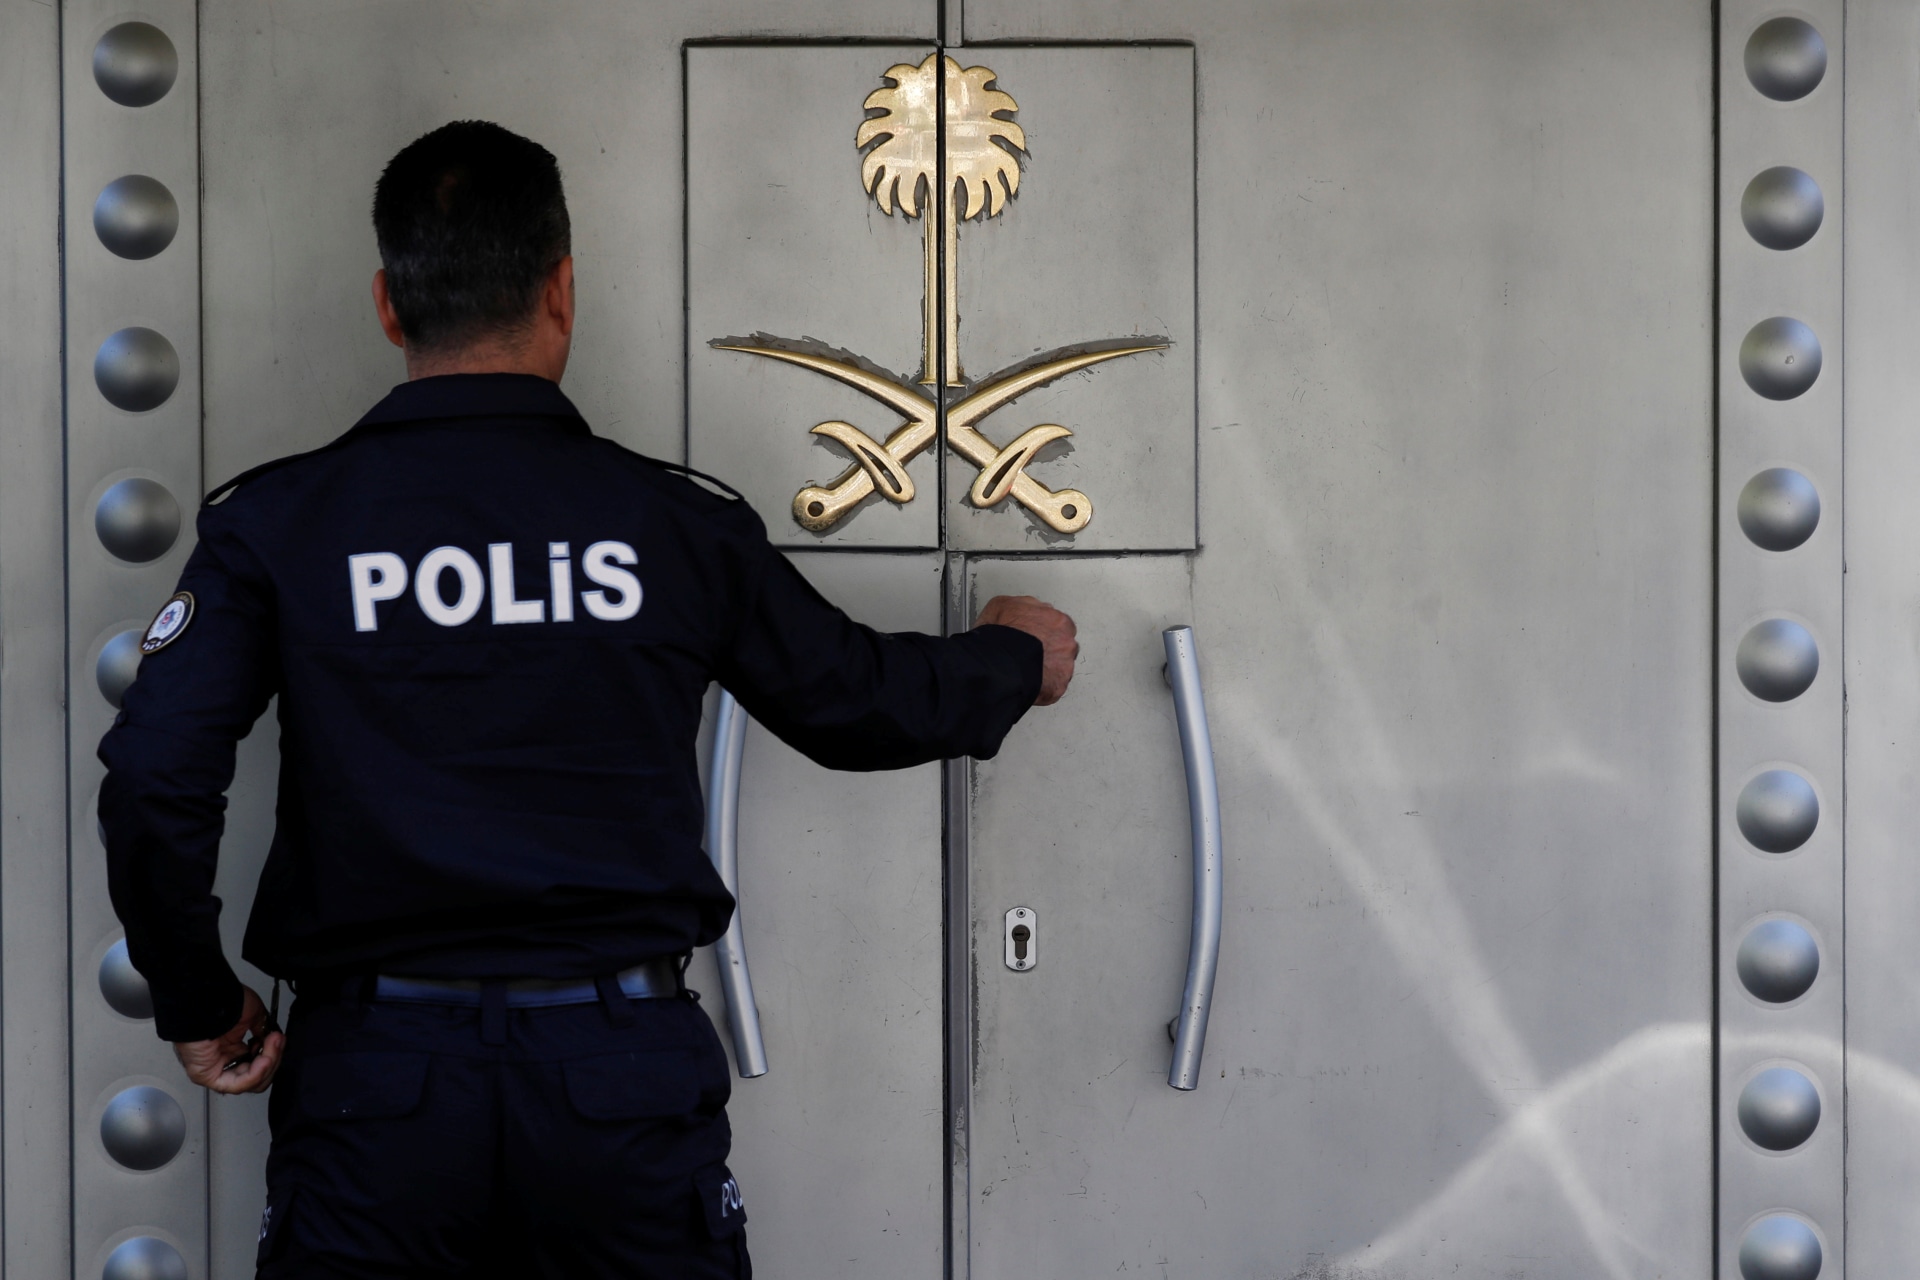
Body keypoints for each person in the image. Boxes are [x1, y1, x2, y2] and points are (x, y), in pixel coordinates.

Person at [97, 120, 1077, 1279]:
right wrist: (1013, 655)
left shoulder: (279, 526)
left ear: (388, 303)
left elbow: (158, 776)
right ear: (562, 288)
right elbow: (856, 700)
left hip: (377, 1089)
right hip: (617, 1082)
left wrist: (200, 997)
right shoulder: (672, 525)